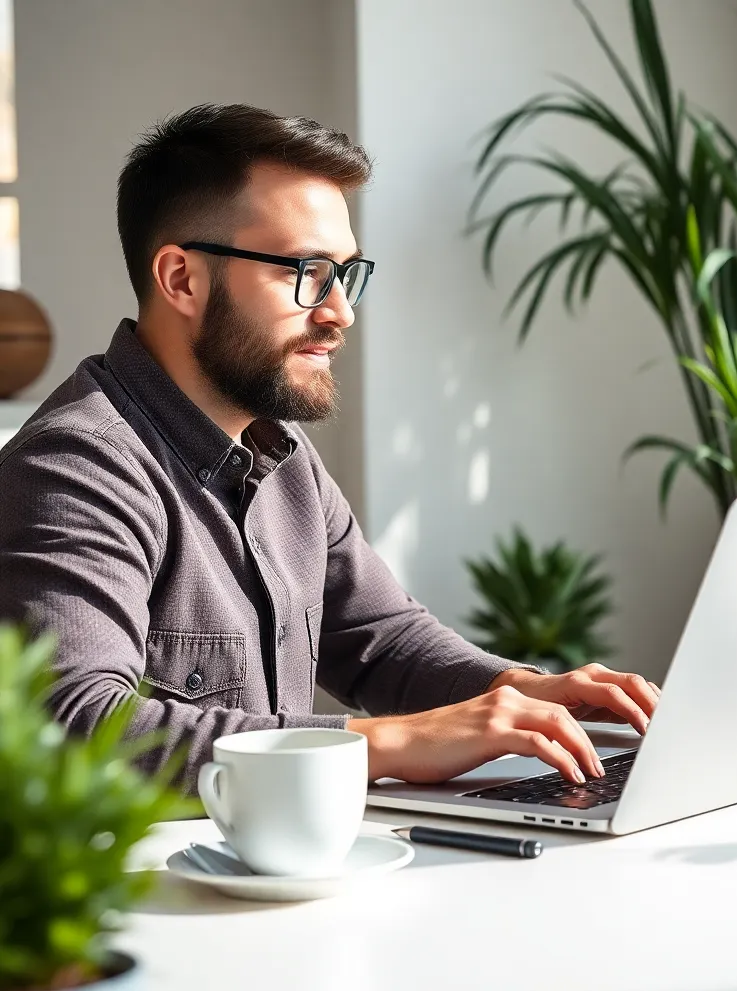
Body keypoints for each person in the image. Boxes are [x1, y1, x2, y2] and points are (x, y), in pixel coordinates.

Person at [0, 103, 658, 795]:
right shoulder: (74, 468)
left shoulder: (280, 455)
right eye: (308, 272)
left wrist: (528, 693)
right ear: (182, 280)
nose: (340, 310)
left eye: (346, 274)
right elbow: (78, 728)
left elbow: (384, 643)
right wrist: (389, 742)